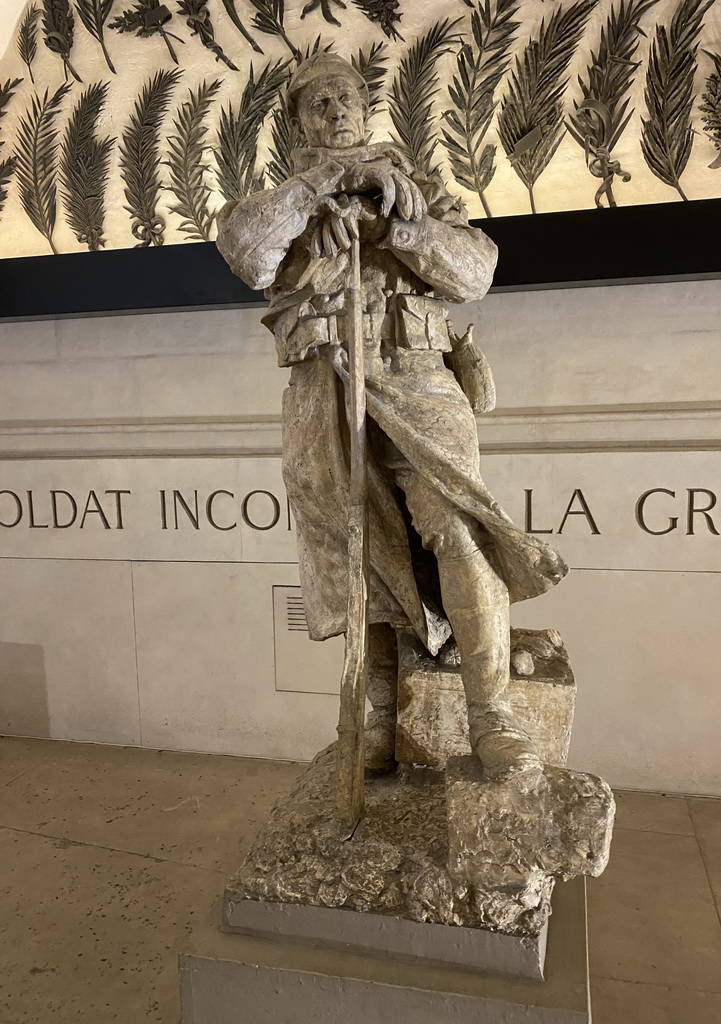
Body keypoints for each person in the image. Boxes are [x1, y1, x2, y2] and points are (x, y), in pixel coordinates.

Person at [216, 53, 568, 781]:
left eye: (346, 96)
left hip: (412, 371)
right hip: (327, 381)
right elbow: (249, 255)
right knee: (356, 546)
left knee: (458, 527)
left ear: (366, 106)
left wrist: (396, 226)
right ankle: (371, 714)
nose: (336, 110)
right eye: (318, 102)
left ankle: (492, 717)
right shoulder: (284, 196)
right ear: (298, 121)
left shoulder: (419, 187)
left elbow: (474, 273)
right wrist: (320, 190)